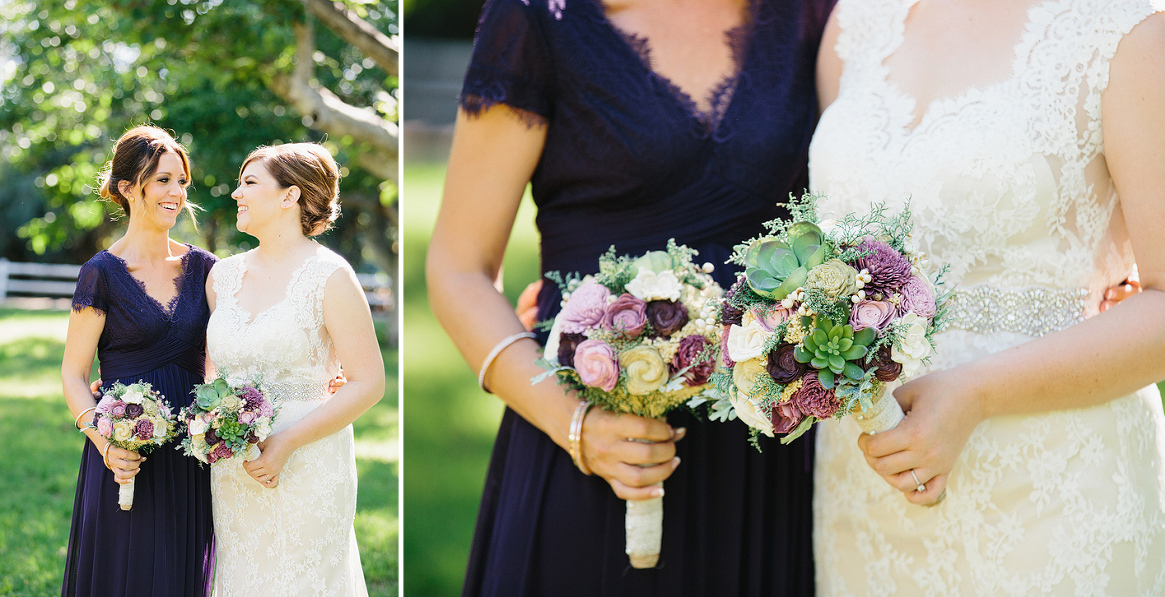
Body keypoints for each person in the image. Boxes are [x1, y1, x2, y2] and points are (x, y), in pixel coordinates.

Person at [809, 0, 1165, 594]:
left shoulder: (1135, 32)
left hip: (1053, 488)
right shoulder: (855, 24)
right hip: (867, 488)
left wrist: (976, 394)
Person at [426, 0, 840, 593]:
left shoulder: (812, 16)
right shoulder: (539, 20)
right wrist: (578, 426)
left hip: (762, 453)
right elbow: (457, 268)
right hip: (592, 437)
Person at [205, 143, 384, 596]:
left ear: (290, 196)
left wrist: (285, 442)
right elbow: (212, 374)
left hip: (307, 460)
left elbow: (368, 383)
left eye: (249, 183)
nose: (236, 194)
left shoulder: (330, 276)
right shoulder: (221, 277)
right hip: (234, 468)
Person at [61, 125, 216, 596]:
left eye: (182, 181)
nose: (177, 192)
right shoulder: (101, 273)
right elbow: (73, 372)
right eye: (163, 180)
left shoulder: (207, 269)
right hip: (124, 449)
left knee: (180, 572)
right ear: (128, 188)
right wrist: (105, 445)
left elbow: (228, 356)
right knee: (123, 570)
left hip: (189, 454)